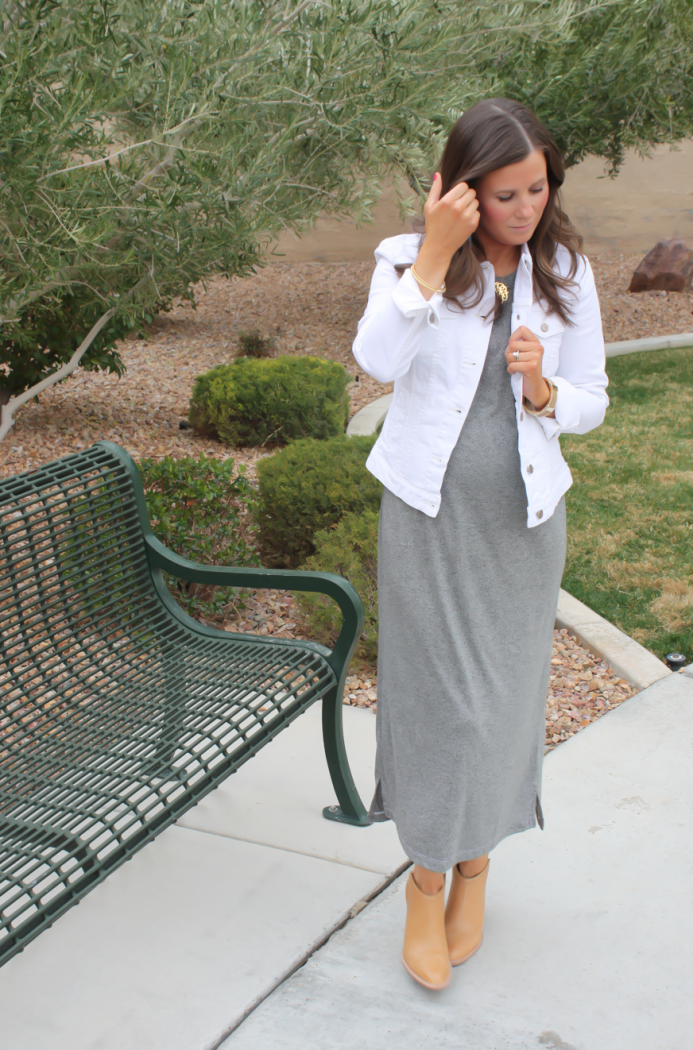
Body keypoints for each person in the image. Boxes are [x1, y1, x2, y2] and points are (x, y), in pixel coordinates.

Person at [352, 98, 608, 991]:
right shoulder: (406, 260)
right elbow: (376, 361)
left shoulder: (566, 270)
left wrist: (543, 391)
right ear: (462, 192)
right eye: (504, 193)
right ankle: (426, 878)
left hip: (521, 528)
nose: (525, 207)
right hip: (427, 520)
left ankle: (476, 869)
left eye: (537, 187)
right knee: (438, 707)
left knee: (500, 704)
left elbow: (593, 399)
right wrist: (429, 256)